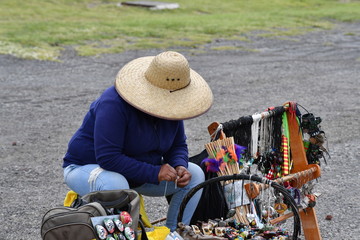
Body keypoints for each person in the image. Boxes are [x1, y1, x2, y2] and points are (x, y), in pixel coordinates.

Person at [62, 51, 213, 231]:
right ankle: (121, 234)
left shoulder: (173, 107)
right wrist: (155, 172)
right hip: (88, 167)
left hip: (135, 174)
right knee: (116, 184)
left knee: (194, 174)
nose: (171, 102)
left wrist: (179, 165)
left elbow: (177, 145)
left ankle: (174, 234)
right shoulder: (113, 103)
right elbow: (108, 158)